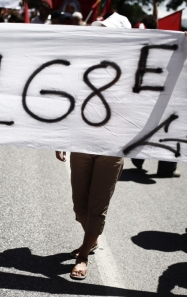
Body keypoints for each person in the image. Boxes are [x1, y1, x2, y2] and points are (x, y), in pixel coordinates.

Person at [57, 10, 131, 280]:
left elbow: (169, 76)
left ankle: (83, 255)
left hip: (112, 148)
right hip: (83, 141)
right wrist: (61, 137)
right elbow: (70, 102)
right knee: (80, 206)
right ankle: (92, 236)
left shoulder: (135, 67)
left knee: (97, 207)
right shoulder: (84, 62)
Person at [130, 14, 181, 178]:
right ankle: (162, 166)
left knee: (150, 127)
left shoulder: (140, 40)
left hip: (145, 92)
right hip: (156, 93)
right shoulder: (162, 42)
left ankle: (140, 156)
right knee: (160, 130)